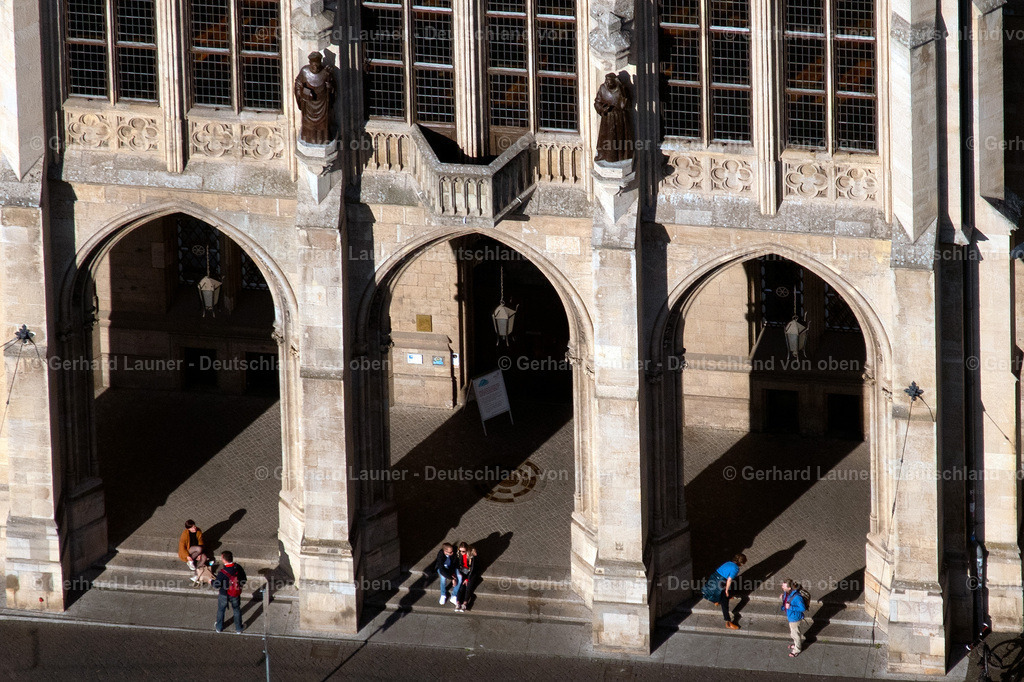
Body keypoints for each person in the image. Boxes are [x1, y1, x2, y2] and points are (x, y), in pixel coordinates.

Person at [702, 553, 747, 630]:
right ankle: (728, 622)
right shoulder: (736, 568)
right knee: (725, 600)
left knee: (717, 592)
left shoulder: (728, 562)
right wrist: (726, 591)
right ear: (741, 563)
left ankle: (716, 601)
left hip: (714, 578)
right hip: (721, 582)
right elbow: (729, 580)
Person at [213, 551, 247, 634]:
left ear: (224, 560)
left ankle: (219, 627)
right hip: (235, 593)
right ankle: (238, 628)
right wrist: (238, 585)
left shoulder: (222, 572)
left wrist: (211, 581)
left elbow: (216, 585)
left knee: (221, 610)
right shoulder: (238, 567)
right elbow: (244, 579)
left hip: (224, 594)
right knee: (236, 609)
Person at [177, 520, 214, 585]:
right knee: (199, 549)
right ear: (188, 529)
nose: (194, 528)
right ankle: (189, 561)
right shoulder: (185, 534)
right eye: (191, 528)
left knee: (204, 557)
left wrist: (199, 554)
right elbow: (182, 546)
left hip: (197, 550)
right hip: (188, 550)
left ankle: (196, 575)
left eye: (194, 526)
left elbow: (201, 542)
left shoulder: (198, 531)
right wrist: (187, 556)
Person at [781, 579, 808, 656]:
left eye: (784, 586)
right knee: (793, 634)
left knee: (795, 635)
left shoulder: (797, 597)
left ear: (789, 588)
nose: (782, 587)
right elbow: (787, 600)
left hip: (795, 618)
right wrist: (783, 597)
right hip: (791, 616)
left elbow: (802, 608)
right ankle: (796, 644)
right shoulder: (787, 592)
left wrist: (790, 607)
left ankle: (797, 650)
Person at [453, 543, 477, 612]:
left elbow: (472, 569)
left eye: (463, 551)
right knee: (461, 586)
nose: (461, 552)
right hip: (463, 571)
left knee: (468, 587)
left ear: (467, 550)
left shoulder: (471, 556)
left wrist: (467, 579)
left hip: (471, 573)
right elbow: (457, 564)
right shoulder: (459, 554)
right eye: (460, 550)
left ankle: (465, 603)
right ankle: (458, 603)